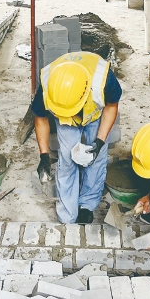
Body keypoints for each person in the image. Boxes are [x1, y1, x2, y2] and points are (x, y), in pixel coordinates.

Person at [32, 51, 122, 224]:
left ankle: (87, 205)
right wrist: (44, 155)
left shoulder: (103, 80)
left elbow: (111, 106)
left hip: (94, 114)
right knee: (67, 160)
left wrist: (100, 141)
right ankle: (68, 213)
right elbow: (41, 118)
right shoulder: (48, 85)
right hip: (65, 120)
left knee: (96, 158)